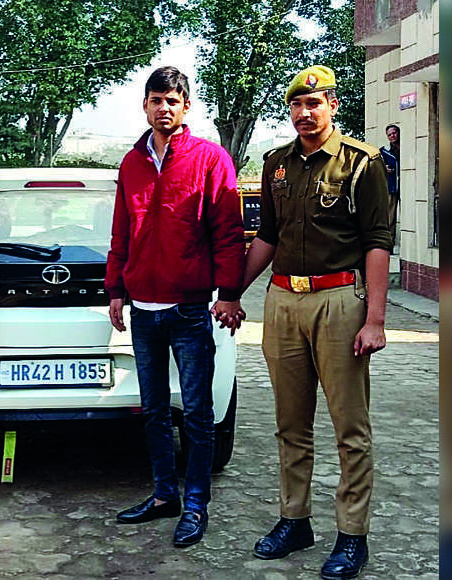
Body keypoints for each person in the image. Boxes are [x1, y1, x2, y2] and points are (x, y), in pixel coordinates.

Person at [225, 65, 391, 579]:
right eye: (296, 105)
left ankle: (351, 535)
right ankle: (294, 519)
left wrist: (377, 319)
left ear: (332, 105)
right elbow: (267, 238)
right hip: (284, 302)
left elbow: (377, 243)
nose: (304, 113)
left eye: (314, 104)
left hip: (340, 303)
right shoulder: (277, 165)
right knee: (290, 424)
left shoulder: (361, 164)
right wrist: (231, 292)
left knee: (349, 428)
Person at [106, 66, 245, 548]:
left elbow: (228, 233)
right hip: (143, 309)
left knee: (198, 412)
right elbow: (121, 229)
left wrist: (229, 292)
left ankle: (196, 503)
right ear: (144, 106)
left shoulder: (210, 159)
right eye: (155, 99)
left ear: (187, 106)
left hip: (189, 309)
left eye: (173, 99)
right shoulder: (131, 162)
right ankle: (164, 495)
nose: (164, 107)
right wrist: (116, 289)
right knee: (153, 410)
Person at [380, 124, 400, 247]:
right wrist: (384, 168)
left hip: (408, 186)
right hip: (392, 187)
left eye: (394, 133)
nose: (392, 136)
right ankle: (389, 244)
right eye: (390, 134)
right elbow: (376, 166)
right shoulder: (384, 151)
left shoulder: (408, 146)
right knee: (390, 217)